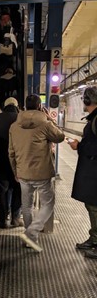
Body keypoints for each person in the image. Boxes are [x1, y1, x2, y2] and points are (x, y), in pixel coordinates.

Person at [8, 94, 64, 252]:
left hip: (23, 173)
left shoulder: (14, 126)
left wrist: (15, 171)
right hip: (42, 173)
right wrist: (50, 119)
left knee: (27, 206)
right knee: (49, 203)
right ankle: (31, 232)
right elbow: (60, 137)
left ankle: (30, 238)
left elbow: (10, 152)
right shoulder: (45, 124)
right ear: (40, 107)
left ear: (25, 107)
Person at [69, 87, 97, 259]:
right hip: (92, 168)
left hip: (94, 169)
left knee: (94, 206)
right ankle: (94, 238)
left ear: (88, 101)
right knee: (91, 205)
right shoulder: (93, 119)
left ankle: (96, 241)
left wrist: (79, 146)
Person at [0, 97, 22, 228]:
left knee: (2, 191)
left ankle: (2, 220)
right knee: (18, 188)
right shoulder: (21, 119)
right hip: (19, 161)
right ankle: (15, 218)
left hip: (0, 161)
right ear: (16, 105)